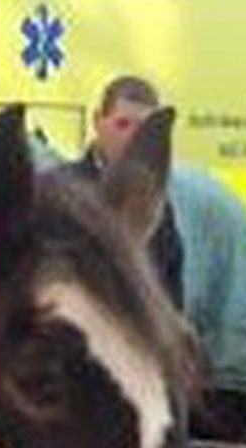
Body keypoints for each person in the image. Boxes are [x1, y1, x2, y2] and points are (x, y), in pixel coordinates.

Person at [64, 76, 184, 307]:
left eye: (142, 129)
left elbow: (171, 295)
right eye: (122, 124)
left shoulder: (158, 206)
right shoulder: (63, 192)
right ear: (98, 121)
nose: (132, 138)